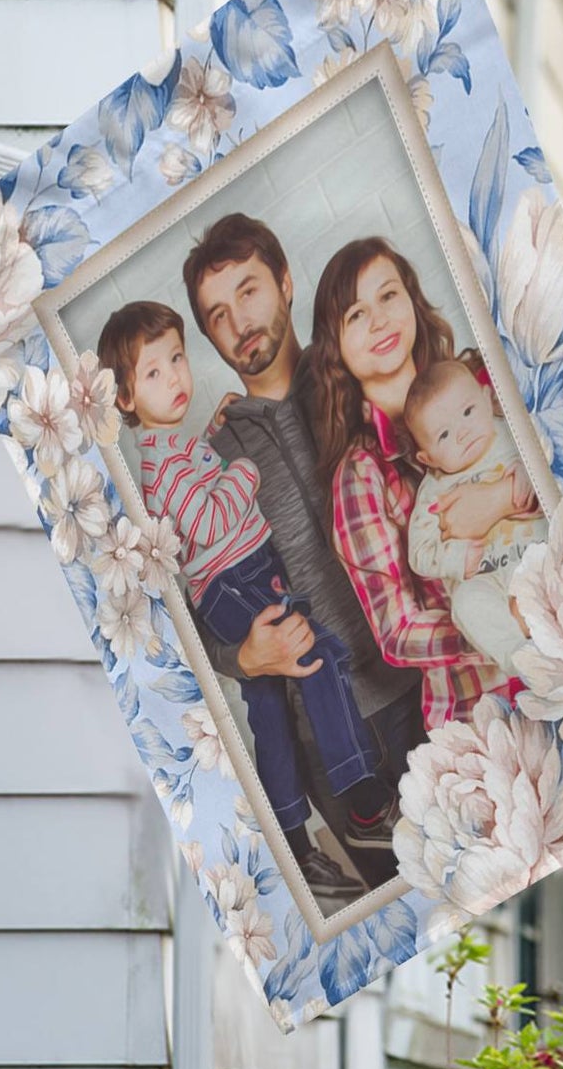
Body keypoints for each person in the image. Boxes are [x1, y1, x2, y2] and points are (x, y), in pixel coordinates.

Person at [97, 300, 393, 907]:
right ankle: (365, 804)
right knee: (321, 657)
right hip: (238, 582)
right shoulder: (159, 466)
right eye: (152, 373)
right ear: (124, 399)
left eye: (177, 358)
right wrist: (243, 472)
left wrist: (210, 440)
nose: (176, 376)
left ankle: (293, 842)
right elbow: (205, 518)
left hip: (238, 578)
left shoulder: (172, 451)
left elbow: (191, 478)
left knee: (270, 710)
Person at [182, 214, 427, 890]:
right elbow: (194, 610)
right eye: (217, 314)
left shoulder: (360, 377)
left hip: (429, 688)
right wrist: (242, 657)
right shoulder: (211, 462)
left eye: (250, 290)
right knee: (403, 903)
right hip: (334, 740)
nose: (240, 321)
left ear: (287, 283)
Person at [309, 237, 522, 730]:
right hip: (479, 711)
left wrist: (499, 501)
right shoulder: (359, 477)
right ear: (335, 348)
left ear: (412, 300)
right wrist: (504, 623)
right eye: (355, 315)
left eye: (388, 296)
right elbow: (397, 630)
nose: (379, 320)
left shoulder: (484, 380)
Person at [402, 358, 546, 675]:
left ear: (486, 397)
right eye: (444, 435)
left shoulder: (514, 437)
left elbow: (552, 461)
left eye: (468, 412)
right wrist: (457, 557)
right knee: (467, 604)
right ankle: (522, 659)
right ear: (427, 458)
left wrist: (525, 474)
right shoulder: (433, 492)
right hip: (490, 580)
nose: (464, 433)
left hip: (541, 556)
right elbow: (419, 553)